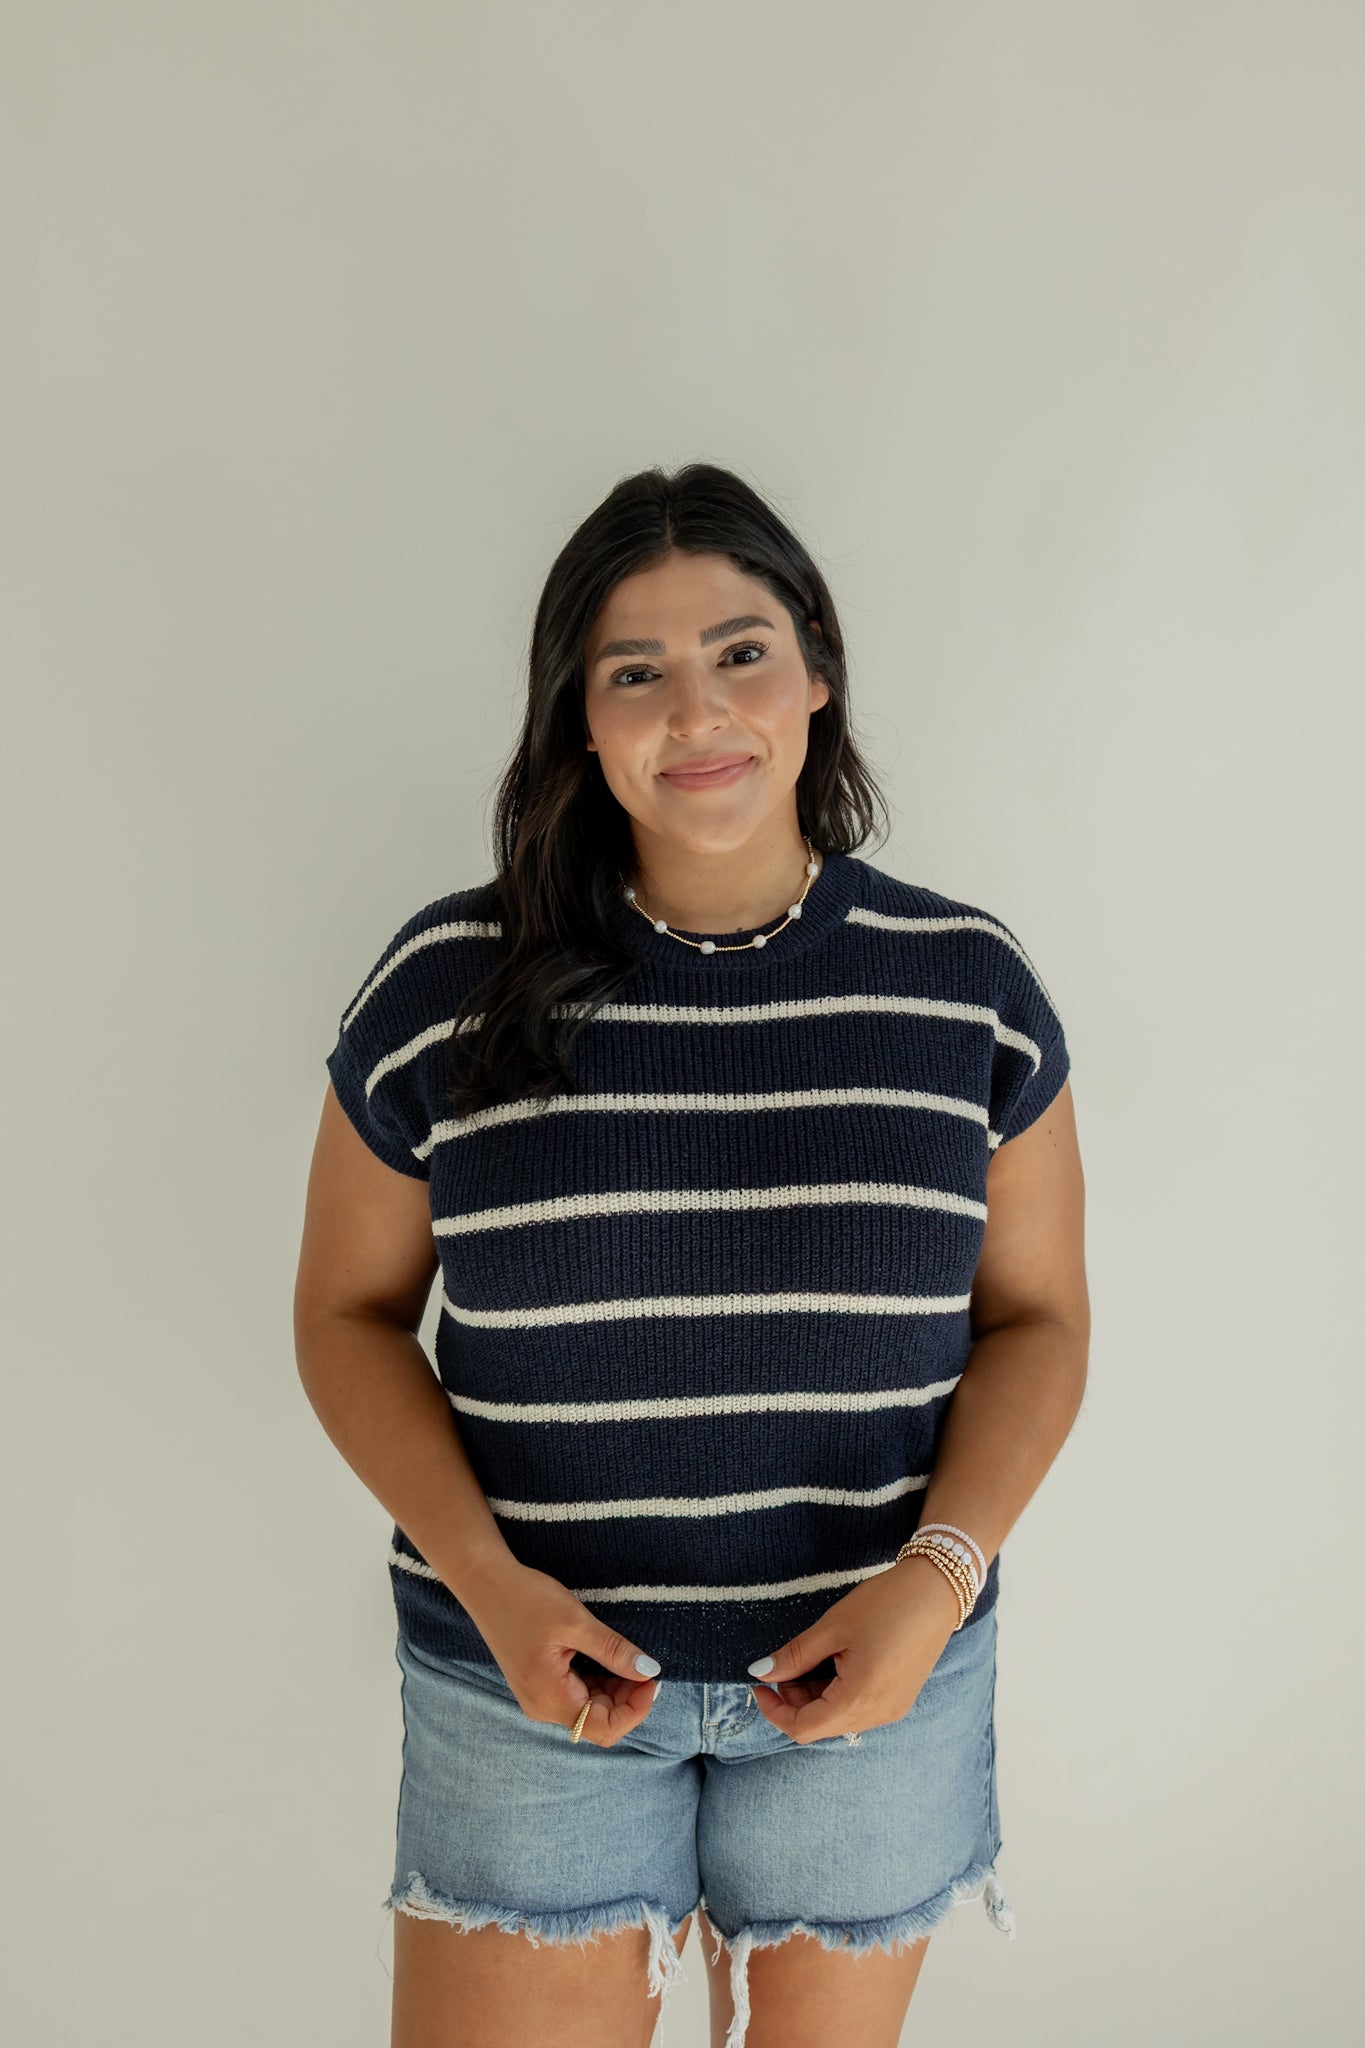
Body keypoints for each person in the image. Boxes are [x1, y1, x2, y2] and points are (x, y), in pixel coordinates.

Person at [294, 462, 1089, 2048]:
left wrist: (934, 1584)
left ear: (816, 671)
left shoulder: (962, 985)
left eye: (739, 652)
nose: (696, 711)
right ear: (577, 722)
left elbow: (1039, 1318)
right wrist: (489, 1583)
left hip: (875, 1686)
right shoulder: (448, 983)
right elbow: (345, 1312)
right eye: (633, 673)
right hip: (530, 1693)